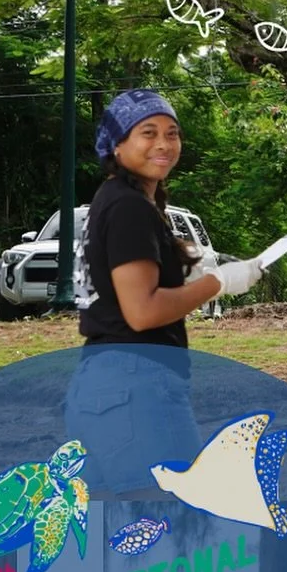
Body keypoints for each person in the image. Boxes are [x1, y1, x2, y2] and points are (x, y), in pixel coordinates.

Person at [67, 88, 267, 492]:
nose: (163, 143)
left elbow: (125, 293)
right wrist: (220, 282)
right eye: (148, 133)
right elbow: (142, 312)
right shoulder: (128, 207)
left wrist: (190, 279)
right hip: (136, 388)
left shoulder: (112, 200)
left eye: (172, 133)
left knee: (124, 522)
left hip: (100, 385)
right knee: (174, 514)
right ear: (117, 144)